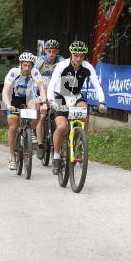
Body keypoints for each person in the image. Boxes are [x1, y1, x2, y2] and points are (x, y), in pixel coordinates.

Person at [47, 41, 107, 174]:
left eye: (82, 56)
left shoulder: (87, 67)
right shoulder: (62, 66)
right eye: (76, 55)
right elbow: (52, 84)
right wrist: (51, 101)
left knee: (84, 110)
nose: (79, 58)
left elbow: (97, 85)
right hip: (60, 96)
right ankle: (56, 156)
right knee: (62, 127)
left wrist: (102, 102)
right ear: (71, 54)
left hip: (75, 96)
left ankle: (81, 140)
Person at [2, 52, 47, 170]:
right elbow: (5, 90)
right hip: (13, 99)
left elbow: (41, 89)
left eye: (29, 65)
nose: (27, 68)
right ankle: (12, 158)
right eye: (25, 65)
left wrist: (44, 103)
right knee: (13, 128)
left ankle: (30, 130)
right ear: (20, 64)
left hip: (29, 98)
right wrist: (8, 105)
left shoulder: (35, 72)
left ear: (32, 65)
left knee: (37, 106)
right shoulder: (13, 72)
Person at [34, 39, 64, 160]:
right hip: (42, 91)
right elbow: (34, 77)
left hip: (57, 94)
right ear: (45, 51)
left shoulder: (62, 61)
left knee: (61, 116)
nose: (51, 54)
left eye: (54, 52)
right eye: (49, 51)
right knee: (42, 115)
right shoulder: (40, 61)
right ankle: (40, 145)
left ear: (57, 52)